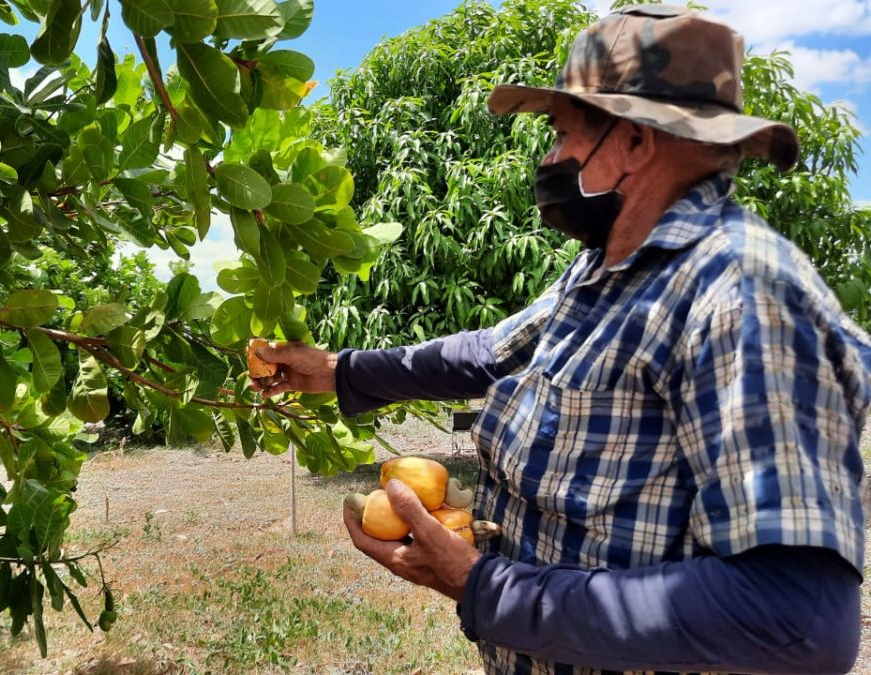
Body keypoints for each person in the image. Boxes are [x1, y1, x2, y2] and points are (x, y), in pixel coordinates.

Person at [252, 5, 871, 674]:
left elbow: (796, 618)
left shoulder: (744, 295)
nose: (548, 159)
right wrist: (335, 371)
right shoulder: (611, 266)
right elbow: (493, 354)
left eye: (561, 134)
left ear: (635, 141)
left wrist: (488, 588)